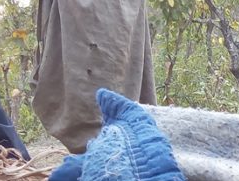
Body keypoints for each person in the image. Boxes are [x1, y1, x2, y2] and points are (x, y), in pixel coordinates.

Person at [31, 1, 156, 154]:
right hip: (77, 17)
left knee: (118, 82)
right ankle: (92, 148)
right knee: (81, 84)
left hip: (121, 14)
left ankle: (108, 145)